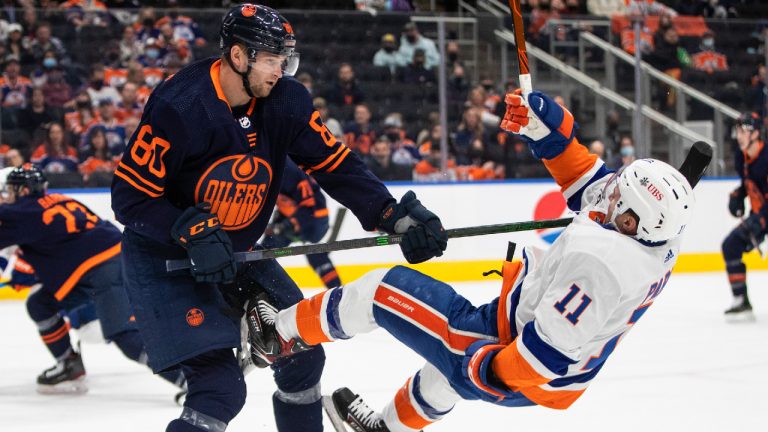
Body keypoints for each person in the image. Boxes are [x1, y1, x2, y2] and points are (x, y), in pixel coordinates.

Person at [248, 88, 696, 432]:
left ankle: (278, 335)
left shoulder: (601, 263)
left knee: (383, 292)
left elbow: (544, 358)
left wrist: (486, 370)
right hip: (547, 358)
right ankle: (388, 428)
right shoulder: (656, 235)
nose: (609, 190)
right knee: (441, 372)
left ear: (631, 218)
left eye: (619, 195)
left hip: (524, 362)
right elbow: (586, 177)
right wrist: (549, 130)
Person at [110, 4, 447, 432]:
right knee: (220, 389)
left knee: (303, 357)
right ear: (237, 56)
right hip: (166, 262)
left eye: (285, 59)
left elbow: (333, 163)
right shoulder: (180, 105)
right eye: (271, 59)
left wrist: (390, 214)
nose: (280, 69)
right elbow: (128, 198)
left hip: (237, 255)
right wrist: (190, 229)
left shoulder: (286, 100)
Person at [0, 164, 185, 395]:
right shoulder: (57, 199)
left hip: (104, 270)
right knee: (39, 302)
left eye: (9, 190)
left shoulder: (20, 213)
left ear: (24, 191)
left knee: (125, 336)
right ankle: (69, 364)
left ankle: (188, 380)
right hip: (103, 264)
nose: (6, 196)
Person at [262, 160, 342, 290]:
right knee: (264, 253)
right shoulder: (273, 166)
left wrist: (282, 225)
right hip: (300, 218)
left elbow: (310, 208)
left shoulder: (288, 171)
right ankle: (261, 290)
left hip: (314, 221)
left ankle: (338, 292)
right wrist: (278, 221)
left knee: (315, 255)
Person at [722, 112, 766, 321]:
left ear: (756, 134)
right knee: (731, 245)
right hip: (761, 214)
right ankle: (741, 300)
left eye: (744, 131)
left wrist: (762, 220)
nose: (738, 135)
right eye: (737, 131)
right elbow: (751, 182)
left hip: (764, 215)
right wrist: (740, 194)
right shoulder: (743, 157)